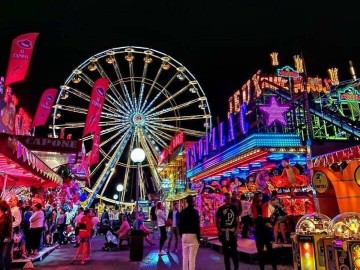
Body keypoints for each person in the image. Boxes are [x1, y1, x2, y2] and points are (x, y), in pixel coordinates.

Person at [250, 192, 277, 270]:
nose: (259, 197)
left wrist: (272, 223)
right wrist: (252, 224)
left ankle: (274, 267)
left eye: (260, 196)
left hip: (266, 231)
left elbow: (276, 213)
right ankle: (262, 268)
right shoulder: (252, 206)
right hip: (258, 231)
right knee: (260, 251)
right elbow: (250, 216)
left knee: (270, 250)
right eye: (258, 196)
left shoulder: (267, 205)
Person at [216, 193, 240, 270]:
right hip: (224, 232)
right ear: (224, 199)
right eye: (227, 198)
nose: (228, 200)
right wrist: (219, 230)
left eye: (229, 198)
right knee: (226, 254)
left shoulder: (234, 208)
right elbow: (217, 221)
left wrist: (236, 230)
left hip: (232, 232)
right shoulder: (220, 209)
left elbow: (237, 220)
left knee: (234, 252)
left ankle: (236, 268)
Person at [179, 195, 200, 270]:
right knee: (192, 258)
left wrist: (181, 234)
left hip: (184, 235)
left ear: (186, 202)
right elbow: (197, 225)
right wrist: (199, 237)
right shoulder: (195, 212)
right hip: (193, 235)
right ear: (193, 201)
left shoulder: (183, 212)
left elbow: (180, 225)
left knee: (185, 257)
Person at [0, 200, 13, 270]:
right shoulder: (4, 217)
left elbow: (1, 233)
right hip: (4, 241)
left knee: (2, 259)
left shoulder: (3, 218)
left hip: (3, 241)